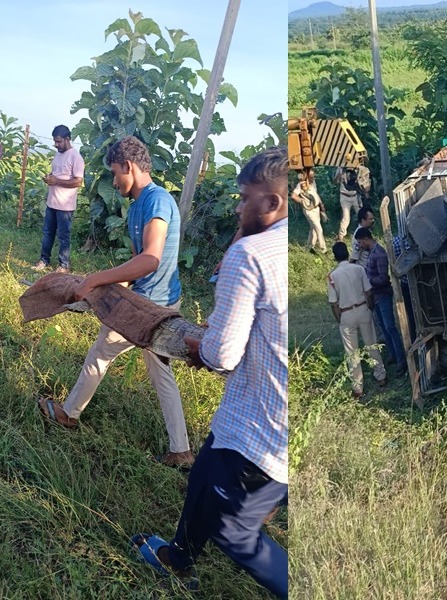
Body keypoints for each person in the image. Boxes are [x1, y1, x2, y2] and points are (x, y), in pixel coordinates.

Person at [130, 146, 289, 598]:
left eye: (244, 198)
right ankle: (179, 556)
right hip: (281, 427)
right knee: (203, 479)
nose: (239, 207)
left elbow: (223, 354)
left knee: (234, 531)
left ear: (272, 203)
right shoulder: (280, 246)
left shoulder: (251, 255)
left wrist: (201, 346)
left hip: (253, 426)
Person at [37, 135, 193, 469]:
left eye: (114, 173)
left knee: (100, 352)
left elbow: (151, 260)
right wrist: (101, 291)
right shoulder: (139, 205)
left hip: (151, 309)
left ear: (129, 167)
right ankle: (180, 449)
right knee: (160, 372)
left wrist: (95, 279)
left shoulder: (156, 201)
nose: (113, 180)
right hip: (149, 300)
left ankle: (68, 414)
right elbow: (137, 263)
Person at [327, 241, 387, 397]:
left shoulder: (333, 276)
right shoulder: (359, 269)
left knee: (352, 352)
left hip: (346, 313)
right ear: (347, 253)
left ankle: (358, 387)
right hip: (362, 308)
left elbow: (333, 303)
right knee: (372, 344)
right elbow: (368, 292)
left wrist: (339, 319)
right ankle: (381, 376)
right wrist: (370, 307)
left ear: (335, 257)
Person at [355, 227, 407, 377]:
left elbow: (384, 278)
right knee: (383, 327)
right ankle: (393, 354)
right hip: (375, 296)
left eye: (360, 242)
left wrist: (367, 281)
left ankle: (401, 361)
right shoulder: (371, 253)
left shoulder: (379, 253)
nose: (360, 245)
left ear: (366, 239)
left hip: (383, 295)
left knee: (390, 327)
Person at [34, 125, 84, 274]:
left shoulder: (76, 157)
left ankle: (64, 265)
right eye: (55, 142)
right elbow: (56, 173)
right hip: (52, 202)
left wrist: (56, 181)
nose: (56, 145)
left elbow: (77, 182)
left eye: (59, 141)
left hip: (65, 206)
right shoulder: (58, 154)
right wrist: (49, 177)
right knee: (47, 233)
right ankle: (44, 260)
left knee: (63, 236)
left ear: (67, 139)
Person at [334, 159, 371, 242]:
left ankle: (366, 232)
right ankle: (341, 236)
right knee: (346, 218)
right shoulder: (341, 169)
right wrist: (339, 174)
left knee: (362, 215)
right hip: (344, 196)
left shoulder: (359, 169)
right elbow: (335, 181)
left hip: (355, 196)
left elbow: (364, 182)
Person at [291, 176, 327, 253]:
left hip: (316, 208)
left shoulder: (313, 182)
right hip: (309, 210)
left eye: (313, 176)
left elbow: (316, 195)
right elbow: (293, 196)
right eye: (311, 176)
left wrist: (321, 207)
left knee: (313, 229)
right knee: (319, 229)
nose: (313, 177)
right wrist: (302, 201)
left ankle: (309, 247)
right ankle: (323, 250)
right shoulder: (301, 185)